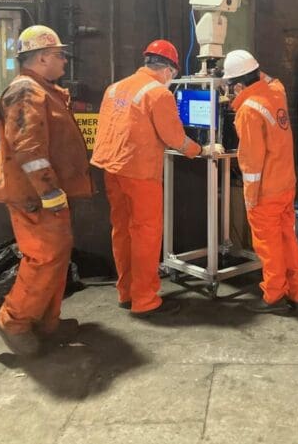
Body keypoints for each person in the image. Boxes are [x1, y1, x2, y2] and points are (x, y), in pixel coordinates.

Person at [91, 40, 222, 318]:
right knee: (146, 235)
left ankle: (126, 293)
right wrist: (201, 150)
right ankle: (145, 300)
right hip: (139, 172)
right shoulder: (158, 93)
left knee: (122, 231)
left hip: (111, 169)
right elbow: (174, 138)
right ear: (170, 70)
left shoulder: (115, 88)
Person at [0, 25, 93, 356]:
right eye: (60, 55)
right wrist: (48, 191)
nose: (64, 61)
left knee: (57, 255)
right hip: (34, 197)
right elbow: (28, 148)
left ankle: (46, 323)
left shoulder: (41, 89)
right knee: (44, 258)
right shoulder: (25, 92)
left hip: (45, 195)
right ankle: (13, 322)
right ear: (43, 57)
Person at [223, 50, 298, 314]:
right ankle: (296, 291)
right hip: (286, 185)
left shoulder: (247, 111)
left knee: (269, 247)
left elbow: (251, 161)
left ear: (237, 85)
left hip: (265, 191)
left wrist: (250, 197)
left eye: (230, 88)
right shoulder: (276, 93)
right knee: (287, 240)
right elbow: (270, 79)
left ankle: (274, 297)